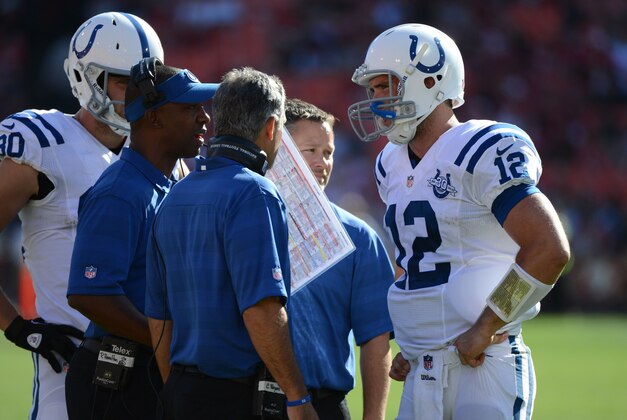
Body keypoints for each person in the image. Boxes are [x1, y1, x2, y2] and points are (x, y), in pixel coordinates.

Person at [348, 23, 570, 419]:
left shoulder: (480, 148)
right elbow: (420, 262)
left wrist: (487, 326)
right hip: (420, 371)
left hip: (481, 366)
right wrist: (414, 344)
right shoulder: (390, 164)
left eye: (388, 86)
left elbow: (549, 249)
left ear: (431, 80)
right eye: (374, 89)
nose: (379, 100)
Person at [0, 12, 163, 420]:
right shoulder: (44, 143)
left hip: (153, 369)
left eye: (145, 84)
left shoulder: (161, 157)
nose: (136, 96)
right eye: (123, 81)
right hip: (72, 367)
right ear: (85, 77)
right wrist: (15, 325)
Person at [144, 67, 318, 420]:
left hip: (179, 391)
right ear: (271, 127)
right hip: (234, 395)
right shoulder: (255, 192)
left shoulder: (175, 194)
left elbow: (158, 317)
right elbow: (262, 311)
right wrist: (297, 397)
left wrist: (178, 390)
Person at [64, 59, 216, 419]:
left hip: (144, 371)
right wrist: (169, 342)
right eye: (190, 108)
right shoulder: (121, 191)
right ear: (154, 117)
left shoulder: (165, 185)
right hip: (119, 381)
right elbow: (88, 292)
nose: (204, 118)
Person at [284, 98, 393, 420]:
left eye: (328, 153)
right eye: (311, 151)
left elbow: (376, 339)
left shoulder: (359, 238)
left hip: (324, 403)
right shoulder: (246, 221)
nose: (323, 163)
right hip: (243, 399)